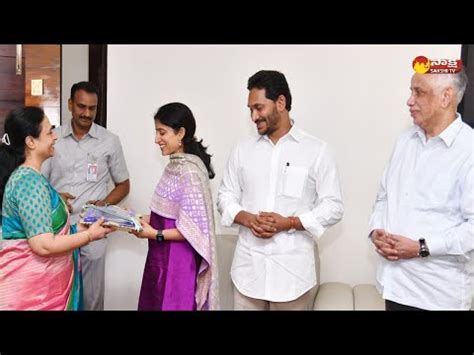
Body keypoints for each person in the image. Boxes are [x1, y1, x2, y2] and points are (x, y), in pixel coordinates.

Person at [217, 70, 344, 310]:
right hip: (248, 274)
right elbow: (224, 195)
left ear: (281, 102)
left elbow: (333, 206)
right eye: (250, 109)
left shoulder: (316, 150)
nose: (253, 116)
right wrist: (248, 219)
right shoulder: (242, 149)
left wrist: (290, 223)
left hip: (292, 276)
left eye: (259, 107)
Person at [368, 69, 473, 310]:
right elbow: (383, 197)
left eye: (419, 92)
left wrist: (421, 247)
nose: (410, 100)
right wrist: (376, 230)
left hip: (437, 296)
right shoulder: (405, 141)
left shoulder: (470, 150)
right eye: (411, 91)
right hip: (394, 287)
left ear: (446, 97)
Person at [0, 106, 112, 310]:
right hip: (33, 295)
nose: (55, 137)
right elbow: (43, 244)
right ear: (30, 142)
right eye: (49, 131)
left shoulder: (32, 178)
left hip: (42, 290)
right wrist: (88, 237)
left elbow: (47, 230)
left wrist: (84, 229)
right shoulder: (28, 182)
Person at [42, 81, 130, 310]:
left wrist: (103, 204)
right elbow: (38, 182)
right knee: (59, 292)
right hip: (58, 228)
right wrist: (55, 197)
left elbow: (124, 185)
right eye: (82, 106)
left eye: (92, 108)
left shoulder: (109, 140)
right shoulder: (53, 138)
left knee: (92, 296)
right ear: (70, 104)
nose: (87, 113)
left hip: (94, 226)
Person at [131, 102, 218, 310]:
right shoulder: (174, 166)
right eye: (156, 132)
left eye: (162, 132)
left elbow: (194, 230)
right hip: (159, 258)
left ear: (180, 133)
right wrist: (139, 219)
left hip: (179, 263)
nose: (156, 139)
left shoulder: (190, 172)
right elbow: (168, 215)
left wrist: (155, 234)